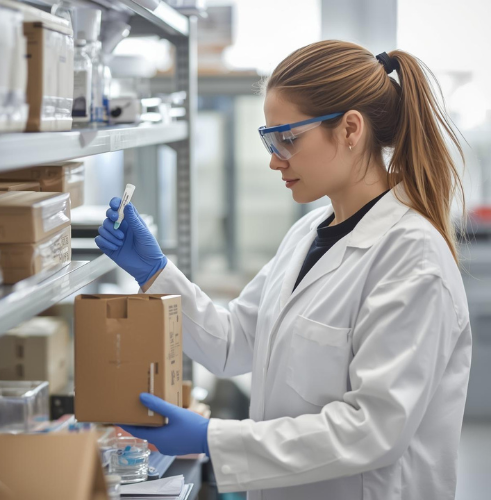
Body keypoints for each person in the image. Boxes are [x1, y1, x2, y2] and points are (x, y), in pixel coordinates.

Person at [95, 40, 472, 500]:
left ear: (351, 128)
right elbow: (234, 343)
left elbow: (373, 430)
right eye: (269, 139)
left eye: (288, 139)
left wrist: (212, 439)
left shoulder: (412, 259)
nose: (275, 159)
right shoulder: (309, 234)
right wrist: (155, 272)